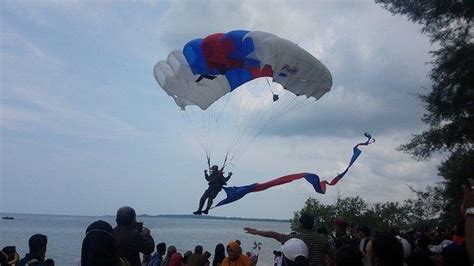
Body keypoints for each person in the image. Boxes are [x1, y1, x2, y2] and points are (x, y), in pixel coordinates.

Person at [244, 213, 328, 266]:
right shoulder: (323, 239)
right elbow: (333, 255)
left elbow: (273, 234)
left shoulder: (294, 239)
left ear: (301, 224)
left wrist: (256, 231)